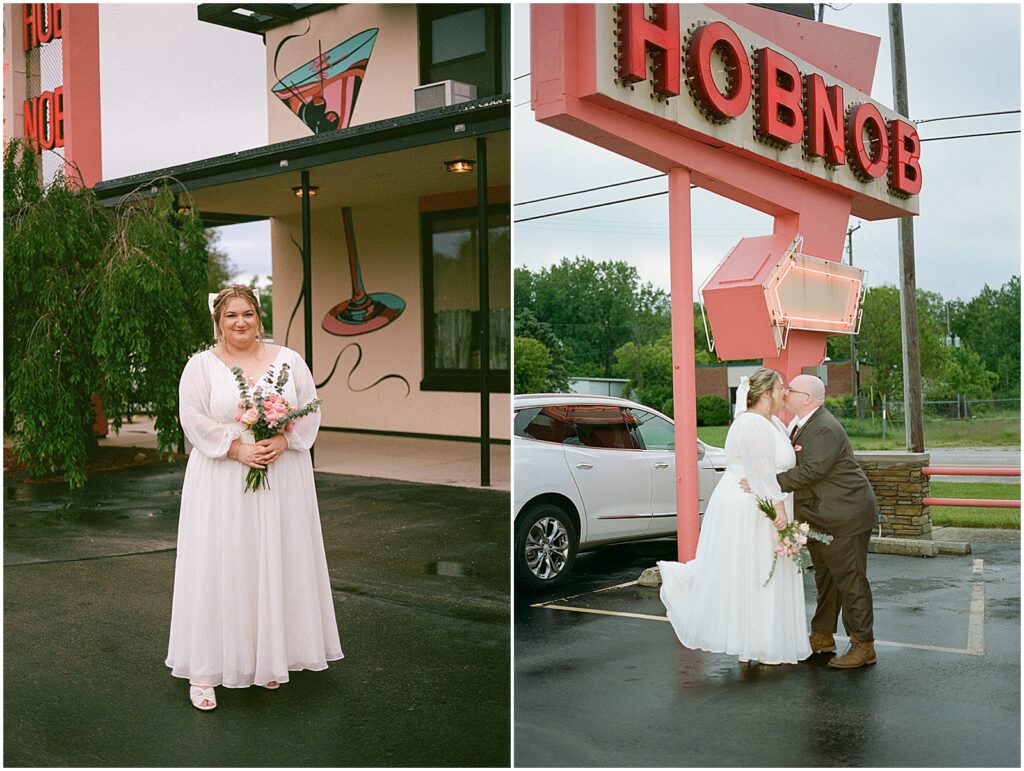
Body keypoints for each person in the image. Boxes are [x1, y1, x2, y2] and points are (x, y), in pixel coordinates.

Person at [166, 285, 343, 711]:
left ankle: (268, 659)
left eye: (247, 314)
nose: (240, 322)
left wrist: (283, 442)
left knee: (271, 561)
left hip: (281, 477)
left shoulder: (289, 361)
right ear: (218, 322)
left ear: (259, 317)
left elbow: (310, 409)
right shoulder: (200, 366)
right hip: (222, 478)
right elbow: (192, 418)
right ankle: (205, 671)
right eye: (230, 316)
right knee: (220, 564)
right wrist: (237, 449)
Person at [658, 368, 811, 666]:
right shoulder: (752, 423)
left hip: (762, 498)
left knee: (759, 572)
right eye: (781, 387)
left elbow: (772, 463)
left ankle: (761, 641)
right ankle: (755, 642)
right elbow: (760, 472)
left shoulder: (773, 424)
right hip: (751, 507)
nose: (785, 393)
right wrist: (778, 511)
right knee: (754, 571)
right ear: (766, 393)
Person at [775, 374, 878, 669]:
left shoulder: (823, 428)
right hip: (823, 516)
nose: (785, 393)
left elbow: (811, 472)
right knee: (827, 578)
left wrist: (770, 482)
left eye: (790, 390)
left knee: (850, 580)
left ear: (807, 398)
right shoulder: (805, 423)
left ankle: (864, 645)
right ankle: (822, 636)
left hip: (844, 516)